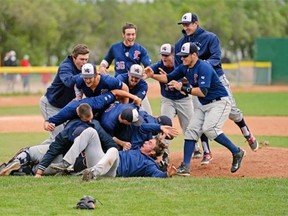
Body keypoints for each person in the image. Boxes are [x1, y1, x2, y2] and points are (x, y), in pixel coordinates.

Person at [145, 42, 246, 176]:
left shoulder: (204, 67)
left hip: (219, 102)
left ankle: (237, 151)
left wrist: (181, 87)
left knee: (210, 129)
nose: (182, 58)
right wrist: (152, 75)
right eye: (181, 56)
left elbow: (202, 92)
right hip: (204, 105)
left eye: (185, 56)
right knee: (191, 131)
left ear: (194, 55)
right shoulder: (185, 67)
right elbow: (168, 77)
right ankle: (185, 167)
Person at [175, 12, 258, 152]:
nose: (185, 27)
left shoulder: (210, 37)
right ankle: (207, 151)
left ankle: (247, 133)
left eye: (188, 24)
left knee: (232, 112)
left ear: (196, 23)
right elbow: (179, 67)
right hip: (196, 83)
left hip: (217, 80)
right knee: (200, 113)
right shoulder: (180, 44)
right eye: (183, 24)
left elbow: (216, 57)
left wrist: (202, 66)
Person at [149, 43, 207, 163]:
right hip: (167, 99)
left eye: (167, 55)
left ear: (173, 55)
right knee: (165, 124)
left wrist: (174, 79)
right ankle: (164, 152)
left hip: (183, 99)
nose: (164, 58)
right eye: (162, 55)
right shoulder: (159, 65)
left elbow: (190, 78)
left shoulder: (182, 64)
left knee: (189, 125)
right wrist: (146, 74)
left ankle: (195, 148)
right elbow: (148, 72)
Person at [50, 128, 177, 180]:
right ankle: (66, 163)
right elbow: (143, 127)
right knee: (90, 131)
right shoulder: (137, 147)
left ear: (153, 151)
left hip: (112, 171)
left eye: (150, 143)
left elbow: (157, 175)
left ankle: (91, 174)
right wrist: (160, 127)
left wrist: (167, 174)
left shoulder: (148, 164)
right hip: (103, 162)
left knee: (114, 150)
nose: (146, 141)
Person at [39, 44, 90, 145]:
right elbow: (69, 82)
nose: (84, 62)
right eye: (82, 59)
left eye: (86, 59)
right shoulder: (65, 67)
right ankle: (30, 154)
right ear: (74, 57)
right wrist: (85, 74)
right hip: (51, 104)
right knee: (57, 139)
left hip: (64, 107)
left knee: (65, 136)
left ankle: (33, 155)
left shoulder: (84, 69)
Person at [98, 22, 153, 114]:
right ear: (123, 34)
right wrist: (102, 66)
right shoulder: (115, 47)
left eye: (133, 34)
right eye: (128, 34)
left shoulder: (140, 49)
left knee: (148, 114)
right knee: (115, 113)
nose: (131, 37)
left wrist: (146, 72)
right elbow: (106, 61)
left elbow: (148, 66)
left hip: (135, 86)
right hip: (119, 86)